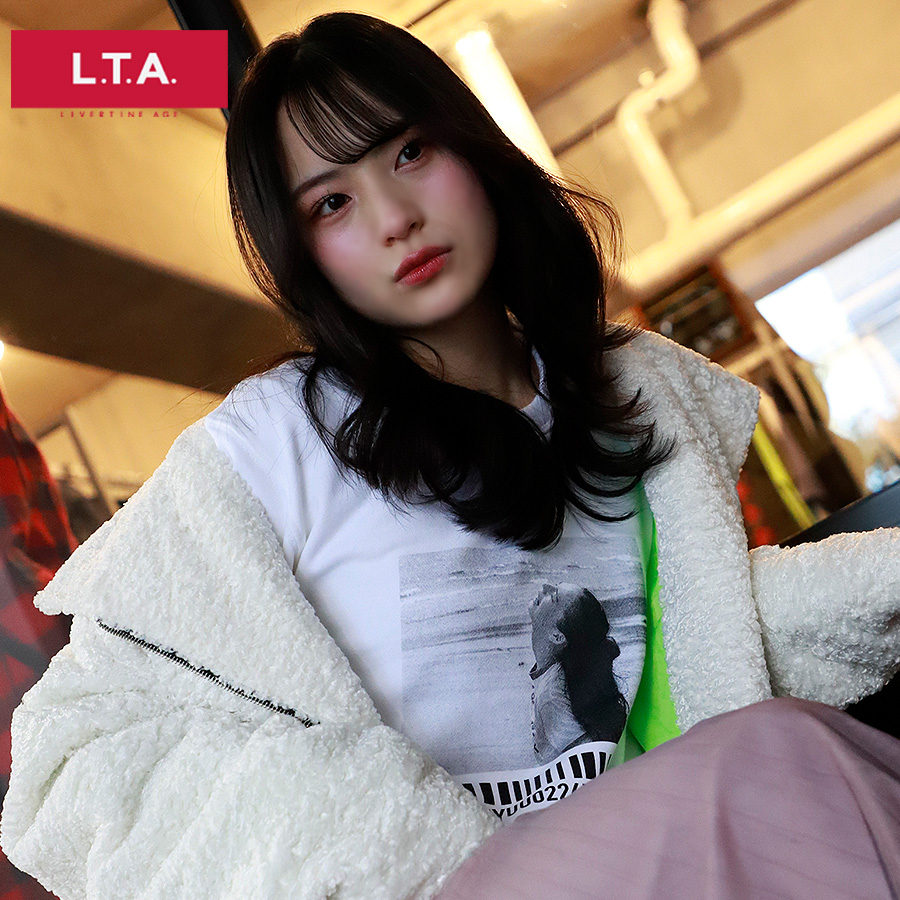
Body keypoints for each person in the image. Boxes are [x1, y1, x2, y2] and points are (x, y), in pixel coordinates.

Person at [2, 12, 900, 900]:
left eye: (409, 153)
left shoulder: (635, 393)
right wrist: (379, 851)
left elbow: (713, 638)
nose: (396, 218)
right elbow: (69, 760)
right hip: (458, 883)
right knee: (786, 755)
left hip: (665, 860)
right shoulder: (274, 443)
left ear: (471, 147)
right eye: (332, 203)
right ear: (301, 252)